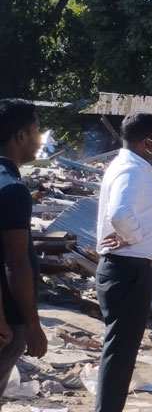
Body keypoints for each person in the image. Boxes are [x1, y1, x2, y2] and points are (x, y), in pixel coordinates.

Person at [94, 112, 152, 412]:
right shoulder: (131, 170)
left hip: (129, 271)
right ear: (144, 141)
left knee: (120, 352)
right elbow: (119, 213)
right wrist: (133, 237)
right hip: (128, 271)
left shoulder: (133, 166)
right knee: (120, 353)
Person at [0, 99, 48, 397]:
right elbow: (15, 264)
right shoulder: (13, 190)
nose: (40, 137)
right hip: (6, 322)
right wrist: (32, 324)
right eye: (37, 129)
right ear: (21, 136)